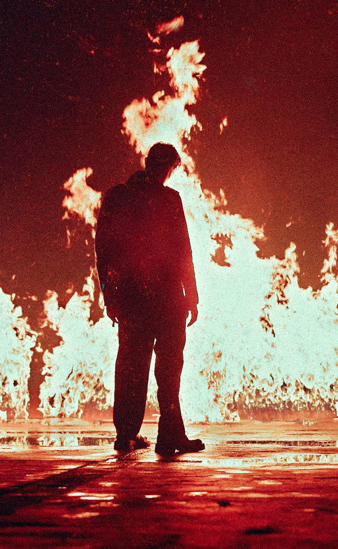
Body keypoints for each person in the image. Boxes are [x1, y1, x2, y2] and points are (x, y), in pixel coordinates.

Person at [95, 143, 205, 457]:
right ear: (170, 167)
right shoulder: (169, 199)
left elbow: (105, 251)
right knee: (169, 369)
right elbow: (183, 251)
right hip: (167, 298)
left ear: (146, 162)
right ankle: (170, 435)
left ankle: (126, 434)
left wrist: (110, 295)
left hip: (131, 299)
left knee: (130, 366)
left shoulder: (116, 197)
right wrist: (192, 296)